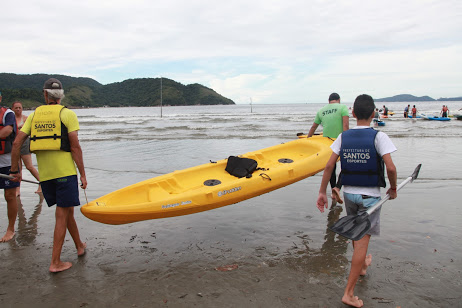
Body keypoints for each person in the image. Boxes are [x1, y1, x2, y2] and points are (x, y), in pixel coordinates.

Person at [316, 94, 398, 307]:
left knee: (355, 232)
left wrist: (322, 191)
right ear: (373, 114)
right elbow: (390, 167)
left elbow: (328, 166)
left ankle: (361, 267)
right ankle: (349, 293)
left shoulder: (344, 137)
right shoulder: (379, 137)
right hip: (370, 197)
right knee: (362, 241)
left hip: (349, 195)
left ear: (352, 114)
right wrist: (394, 188)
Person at [10, 78, 87, 272]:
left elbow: (17, 143)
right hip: (65, 174)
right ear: (61, 95)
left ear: (45, 95)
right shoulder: (67, 114)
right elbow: (75, 147)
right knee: (62, 214)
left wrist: (14, 171)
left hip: (45, 176)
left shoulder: (35, 115)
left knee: (67, 211)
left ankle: (79, 246)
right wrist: (83, 175)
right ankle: (55, 262)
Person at [307, 92, 349, 204]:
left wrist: (307, 140)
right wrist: (346, 141)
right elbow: (345, 126)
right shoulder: (343, 107)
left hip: (327, 143)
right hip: (340, 140)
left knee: (331, 167)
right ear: (339, 100)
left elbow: (313, 127)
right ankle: (338, 188)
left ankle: (332, 190)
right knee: (345, 165)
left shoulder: (321, 110)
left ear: (328, 101)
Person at [0, 92, 20, 242]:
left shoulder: (8, 113)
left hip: (7, 162)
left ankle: (10, 229)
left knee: (10, 196)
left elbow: (7, 130)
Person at [12, 101, 41, 195]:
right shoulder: (11, 119)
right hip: (14, 144)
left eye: (19, 107)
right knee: (17, 168)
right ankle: (17, 189)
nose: (18, 109)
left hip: (24, 143)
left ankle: (41, 183)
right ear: (12, 109)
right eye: (16, 108)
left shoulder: (26, 118)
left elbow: (32, 131)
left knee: (29, 166)